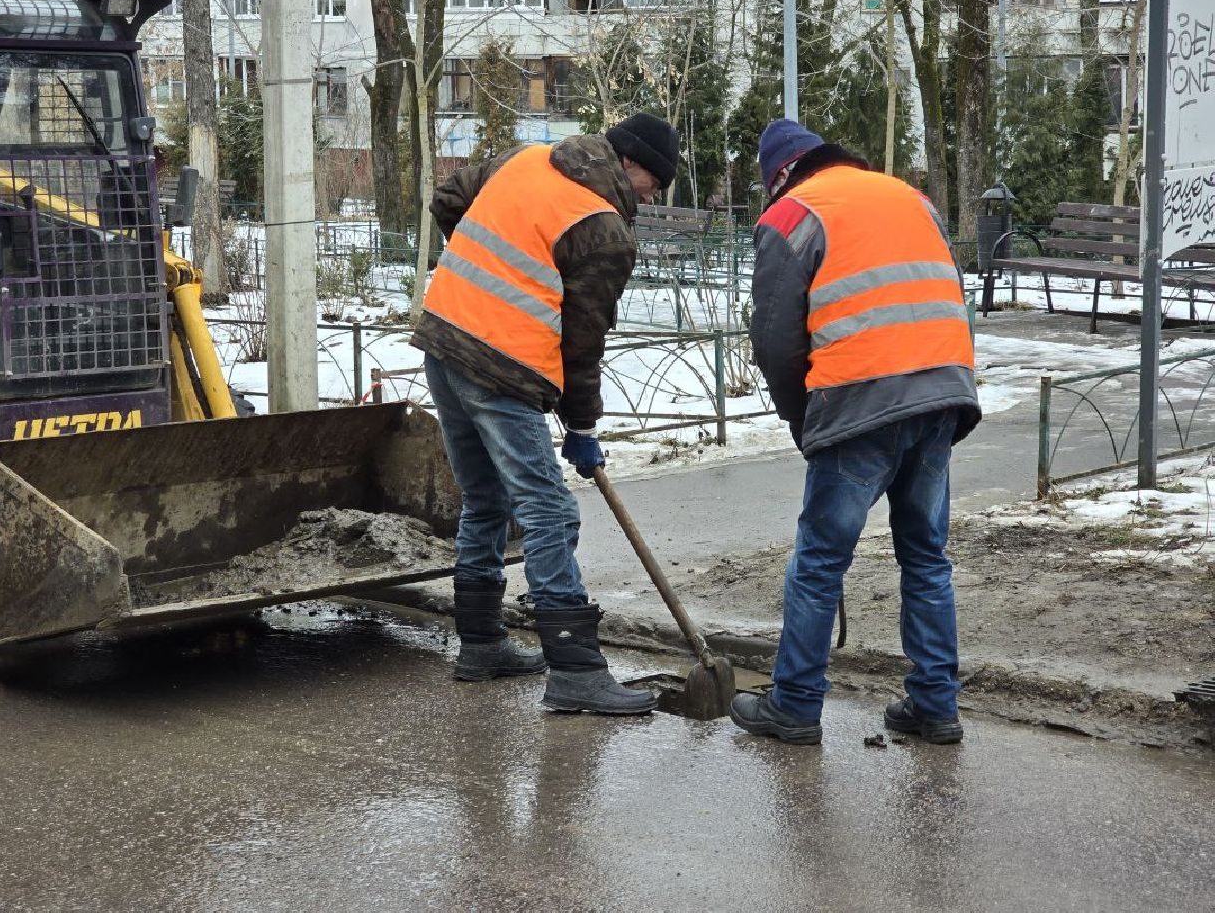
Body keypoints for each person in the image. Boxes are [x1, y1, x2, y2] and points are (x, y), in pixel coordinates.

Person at [412, 113, 680, 715]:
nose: (652, 196)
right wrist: (582, 428)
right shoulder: (603, 229)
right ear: (630, 163)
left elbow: (448, 200)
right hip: (501, 365)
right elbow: (584, 342)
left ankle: (481, 645)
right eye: (654, 182)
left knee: (486, 500)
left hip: (443, 338)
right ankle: (576, 671)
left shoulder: (525, 159)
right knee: (549, 507)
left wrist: (488, 276)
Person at [730, 119, 981, 745]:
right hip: (942, 392)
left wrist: (801, 420)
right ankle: (934, 706)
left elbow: (775, 341)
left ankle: (793, 706)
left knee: (819, 560)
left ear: (781, 176)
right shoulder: (910, 198)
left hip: (860, 400)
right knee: (926, 556)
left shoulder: (793, 215)